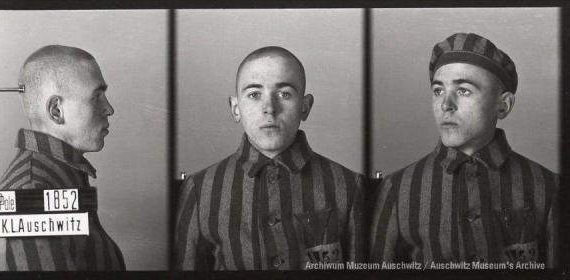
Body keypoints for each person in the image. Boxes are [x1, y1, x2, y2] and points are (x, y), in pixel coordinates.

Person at [369, 33, 558, 268]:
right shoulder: (397, 189)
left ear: (503, 105)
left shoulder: (548, 187)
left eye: (463, 90)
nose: (445, 105)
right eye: (438, 91)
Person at [174, 46, 366, 270]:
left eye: (284, 94)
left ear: (305, 107)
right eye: (254, 95)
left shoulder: (349, 186)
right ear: (236, 108)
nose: (269, 109)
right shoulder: (200, 190)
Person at [0, 45, 125, 270]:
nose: (109, 109)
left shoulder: (54, 178)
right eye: (96, 96)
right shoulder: (32, 194)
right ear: (56, 111)